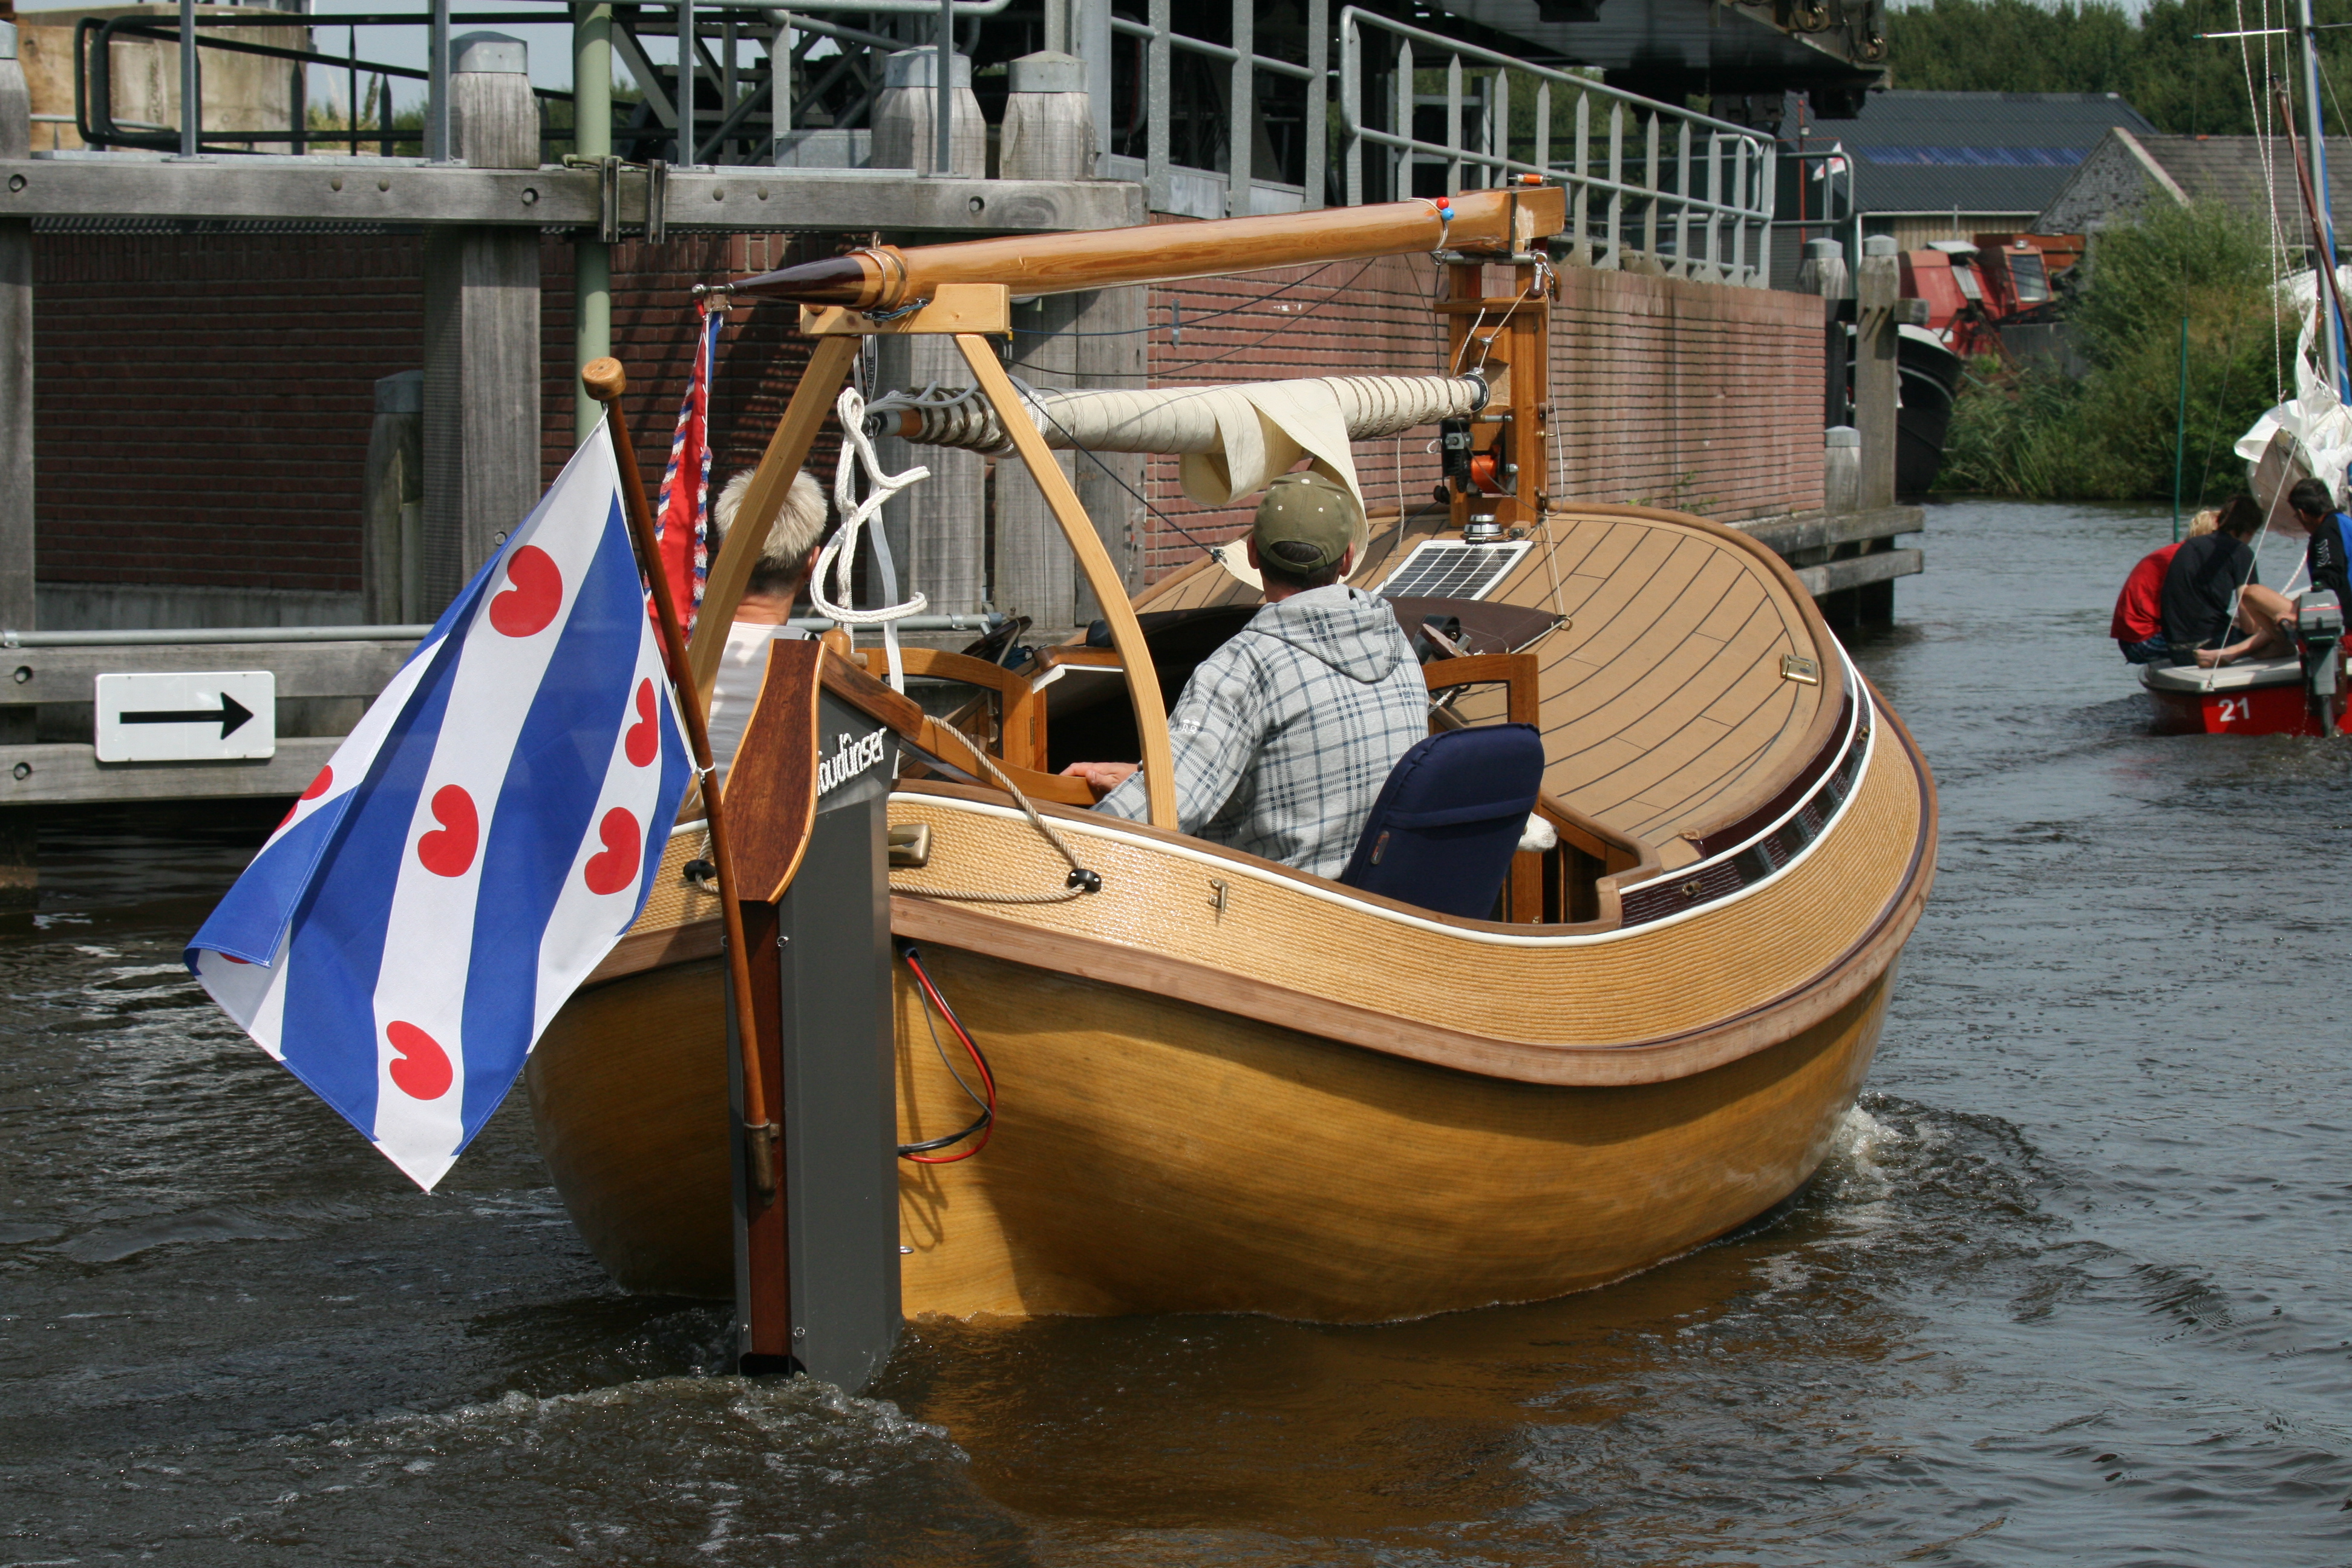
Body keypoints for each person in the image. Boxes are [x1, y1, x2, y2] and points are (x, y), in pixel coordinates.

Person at [1062, 471, 1427, 879]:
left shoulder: (1245, 666)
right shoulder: (1399, 647)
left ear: (1252, 553)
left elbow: (1165, 809)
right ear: (1346, 559)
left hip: (1273, 916)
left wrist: (1060, 852)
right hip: (1374, 903)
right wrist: (1145, 777)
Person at [705, 466, 828, 782]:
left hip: (678, 828)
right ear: (813, 563)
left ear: (723, 555)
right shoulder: (825, 666)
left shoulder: (669, 656)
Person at [2160, 494, 2295, 667]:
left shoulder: (2190, 545)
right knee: (2282, 635)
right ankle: (2239, 655)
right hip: (2210, 645)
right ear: (2249, 531)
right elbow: (2249, 626)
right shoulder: (2240, 552)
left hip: (2175, 650)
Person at [2111, 509, 2216, 664]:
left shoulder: (2179, 554)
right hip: (2145, 641)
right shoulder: (2185, 560)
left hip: (2137, 638)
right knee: (2235, 639)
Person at [2288, 476, 2352, 605]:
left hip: (2345, 618)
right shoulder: (2345, 522)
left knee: (2253, 594)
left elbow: (2328, 578)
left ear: (2302, 514)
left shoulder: (2327, 531)